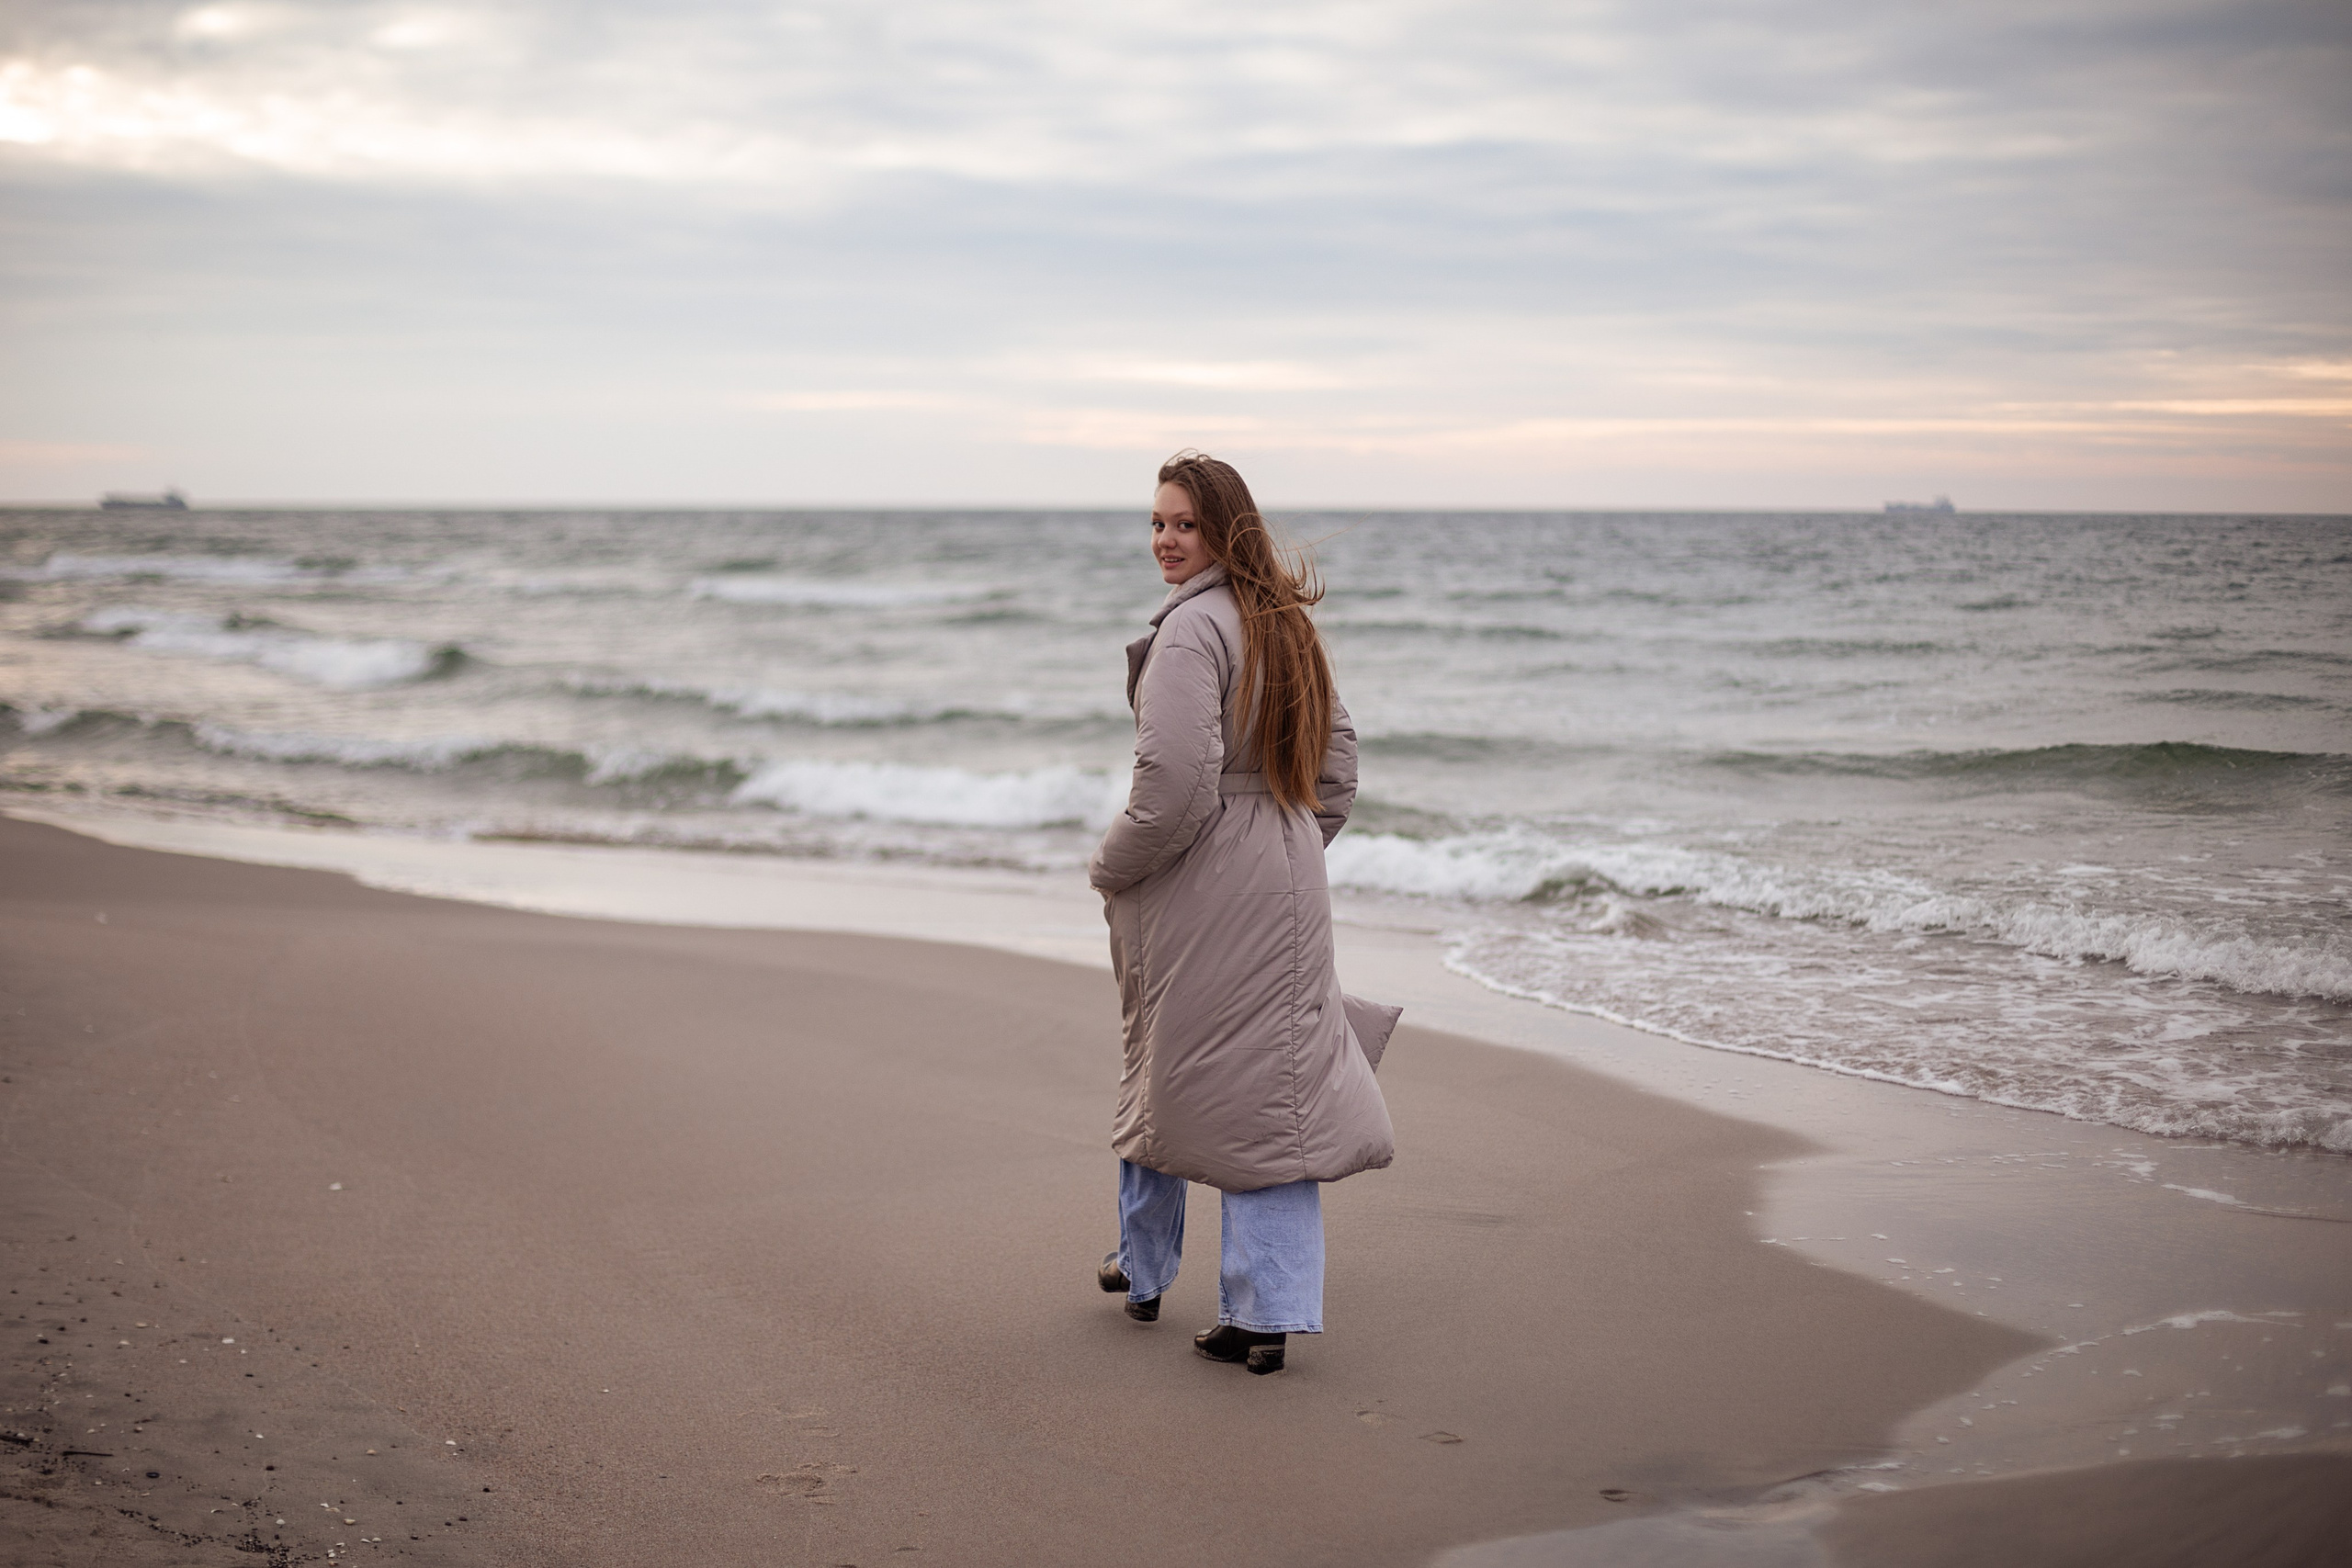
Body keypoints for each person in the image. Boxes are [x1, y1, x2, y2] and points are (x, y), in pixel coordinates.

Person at [1087, 451, 1400, 1377]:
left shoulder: (1192, 634)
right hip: (1287, 871)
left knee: (1172, 1062)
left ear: (1227, 529)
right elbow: (1335, 773)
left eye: (1184, 524)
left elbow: (1174, 784)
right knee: (1274, 1084)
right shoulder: (1284, 626)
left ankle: (1148, 1272)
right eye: (1155, 523)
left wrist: (1115, 866)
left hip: (1203, 881)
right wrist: (1286, 845)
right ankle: (1258, 1308)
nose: (1165, 541)